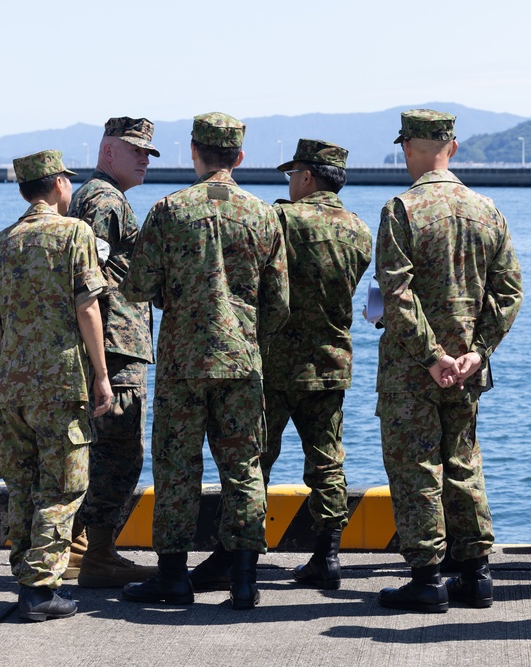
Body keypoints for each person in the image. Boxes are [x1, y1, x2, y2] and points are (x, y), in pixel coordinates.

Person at [120, 112, 289, 610]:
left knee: (176, 466)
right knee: (244, 468)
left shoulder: (169, 211)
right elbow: (278, 303)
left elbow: (136, 288)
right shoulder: (263, 215)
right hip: (241, 362)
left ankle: (173, 576)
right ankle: (243, 579)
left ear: (194, 151)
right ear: (238, 157)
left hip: (182, 363)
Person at [190, 139, 371, 593]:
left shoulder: (280, 219)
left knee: (252, 463)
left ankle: (237, 554)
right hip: (330, 362)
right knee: (328, 461)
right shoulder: (360, 231)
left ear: (307, 177)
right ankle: (327, 557)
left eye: (292, 175)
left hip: (273, 364)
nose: (289, 183)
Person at [375, 109, 523, 613]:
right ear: (452, 148)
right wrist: (477, 351)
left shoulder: (402, 208)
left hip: (412, 368)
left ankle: (426, 578)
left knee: (416, 465)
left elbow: (395, 292)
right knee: (463, 462)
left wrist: (432, 355)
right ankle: (476, 574)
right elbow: (509, 292)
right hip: (468, 370)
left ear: (408, 148)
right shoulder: (487, 211)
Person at [0, 150, 113, 622]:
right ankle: (40, 589)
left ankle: (24, 578)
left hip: (11, 385)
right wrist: (101, 375)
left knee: (22, 484)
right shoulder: (75, 232)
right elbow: (88, 308)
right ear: (57, 183)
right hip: (60, 384)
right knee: (62, 487)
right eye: (67, 181)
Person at [65, 117, 160, 587]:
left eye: (148, 152)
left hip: (112, 343)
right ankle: (97, 555)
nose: (144, 159)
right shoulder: (105, 201)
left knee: (106, 450)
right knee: (121, 452)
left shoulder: (97, 196)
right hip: (116, 346)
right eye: (135, 151)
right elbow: (91, 282)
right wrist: (100, 357)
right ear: (107, 152)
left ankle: (82, 549)